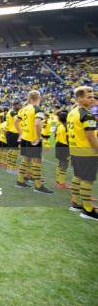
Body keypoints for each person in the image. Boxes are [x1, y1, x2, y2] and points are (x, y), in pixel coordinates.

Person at [67, 86, 97, 220]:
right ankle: (88, 210)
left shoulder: (72, 112)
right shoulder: (87, 114)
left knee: (77, 176)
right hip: (86, 151)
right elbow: (91, 137)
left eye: (92, 96)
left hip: (75, 149)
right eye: (88, 97)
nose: (92, 99)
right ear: (80, 98)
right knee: (87, 180)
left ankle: (75, 203)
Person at [15, 90, 53, 193]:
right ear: (39, 98)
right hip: (33, 139)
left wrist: (21, 133)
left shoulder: (24, 109)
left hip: (25, 138)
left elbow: (16, 122)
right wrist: (38, 137)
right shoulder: (37, 109)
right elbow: (37, 124)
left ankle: (20, 180)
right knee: (37, 161)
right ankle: (38, 186)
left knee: (26, 160)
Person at [54, 110, 70, 189]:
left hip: (58, 145)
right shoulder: (67, 126)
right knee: (65, 164)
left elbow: (55, 134)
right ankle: (62, 183)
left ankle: (57, 181)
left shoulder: (59, 125)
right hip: (64, 146)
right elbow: (68, 139)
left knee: (60, 163)